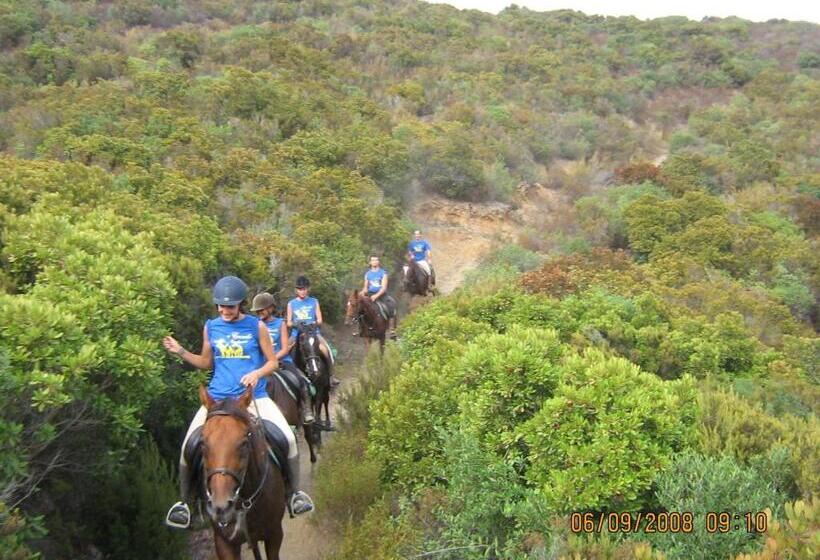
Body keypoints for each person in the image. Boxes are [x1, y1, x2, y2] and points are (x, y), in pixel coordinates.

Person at [163, 276, 314, 529]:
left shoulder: (257, 327)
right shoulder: (211, 327)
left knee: (287, 439)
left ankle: (294, 495)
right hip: (217, 400)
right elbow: (206, 362)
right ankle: (186, 505)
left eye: (230, 307)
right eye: (221, 307)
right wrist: (180, 351)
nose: (225, 311)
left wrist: (256, 374)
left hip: (253, 399)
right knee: (188, 446)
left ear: (240, 305)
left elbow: (273, 362)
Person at [251, 291, 314, 425]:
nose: (259, 313)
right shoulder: (255, 325)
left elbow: (285, 348)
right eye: (257, 311)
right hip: (261, 365)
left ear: (270, 308)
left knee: (301, 380)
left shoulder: (280, 324)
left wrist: (272, 359)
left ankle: (307, 409)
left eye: (261, 310)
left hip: (282, 361)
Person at [286, 275, 339, 387]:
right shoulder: (291, 304)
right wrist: (296, 324)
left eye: (304, 289)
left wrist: (313, 323)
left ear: (307, 289)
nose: (302, 291)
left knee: (325, 350)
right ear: (296, 290)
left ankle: (331, 376)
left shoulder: (314, 302)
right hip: (297, 334)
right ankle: (285, 376)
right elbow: (289, 322)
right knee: (284, 351)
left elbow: (320, 320)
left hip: (313, 333)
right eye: (300, 289)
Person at [360, 255, 397, 338]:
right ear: (370, 262)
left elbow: (384, 287)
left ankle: (391, 329)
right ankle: (361, 328)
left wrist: (376, 296)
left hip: (381, 295)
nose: (374, 262)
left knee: (392, 305)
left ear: (378, 262)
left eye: (376, 260)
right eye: (373, 260)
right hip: (370, 294)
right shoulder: (367, 274)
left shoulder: (383, 273)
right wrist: (361, 293)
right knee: (360, 308)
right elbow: (366, 287)